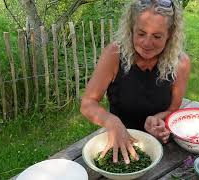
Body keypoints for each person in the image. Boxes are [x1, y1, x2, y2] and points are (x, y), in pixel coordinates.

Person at [80, 0, 190, 165]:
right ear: (130, 30)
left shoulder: (181, 63)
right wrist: (112, 122)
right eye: (141, 33)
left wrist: (158, 121)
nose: (147, 43)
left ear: (170, 35)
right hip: (117, 142)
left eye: (157, 36)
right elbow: (88, 103)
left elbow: (173, 109)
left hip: (160, 149)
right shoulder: (114, 54)